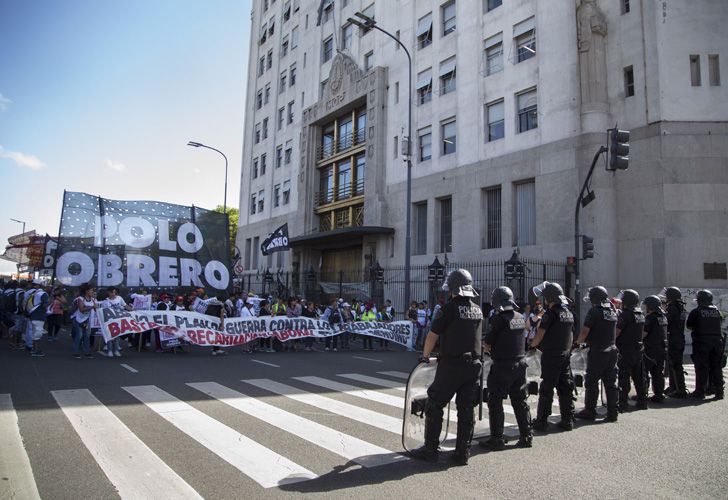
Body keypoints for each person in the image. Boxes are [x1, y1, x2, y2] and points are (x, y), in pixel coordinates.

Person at [409, 269, 483, 465]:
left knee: (435, 403)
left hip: (452, 365)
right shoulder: (477, 309)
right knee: (466, 408)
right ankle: (462, 452)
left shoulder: (449, 308)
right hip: (474, 365)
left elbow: (433, 334)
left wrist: (425, 356)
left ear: (452, 289)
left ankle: (431, 448)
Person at [479, 286, 532, 451]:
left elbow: (488, 342)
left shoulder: (499, 318)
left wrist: (484, 348)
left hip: (502, 365)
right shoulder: (519, 317)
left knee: (495, 402)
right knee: (520, 401)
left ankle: (496, 438)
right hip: (520, 365)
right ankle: (526, 436)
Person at [529, 282, 575, 431]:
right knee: (565, 386)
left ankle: (542, 421)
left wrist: (531, 345)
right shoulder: (568, 312)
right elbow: (571, 334)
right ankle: (567, 419)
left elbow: (540, 334)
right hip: (565, 353)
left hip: (552, 355)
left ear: (549, 298)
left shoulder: (551, 313)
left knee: (547, 388)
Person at [575, 286, 619, 422]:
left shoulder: (594, 311)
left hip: (598, 351)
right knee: (610, 383)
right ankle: (613, 412)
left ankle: (590, 411)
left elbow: (584, 331)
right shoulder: (612, 311)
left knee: (592, 382)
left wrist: (577, 343)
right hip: (612, 350)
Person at [686, 290, 724, 400]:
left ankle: (700, 392)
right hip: (717, 342)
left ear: (699, 300)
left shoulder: (696, 312)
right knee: (716, 367)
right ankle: (719, 392)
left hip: (702, 343)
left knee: (701, 367)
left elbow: (689, 326)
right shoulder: (718, 312)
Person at [615, 290, 648, 411]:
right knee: (639, 377)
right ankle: (642, 401)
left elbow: (617, 332)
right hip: (638, 348)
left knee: (624, 376)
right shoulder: (640, 313)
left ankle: (623, 403)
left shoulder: (625, 314)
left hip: (626, 349)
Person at [663, 287, 688, 398]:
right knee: (673, 364)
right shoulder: (681, 307)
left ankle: (680, 389)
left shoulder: (672, 308)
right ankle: (674, 387)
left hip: (673, 338)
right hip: (679, 337)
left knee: (676, 365)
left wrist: (663, 310)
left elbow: (666, 321)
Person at [642, 295, 667, 403]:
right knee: (658, 372)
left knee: (644, 372)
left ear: (650, 306)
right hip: (661, 348)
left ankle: (643, 394)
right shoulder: (663, 316)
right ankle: (659, 394)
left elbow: (644, 333)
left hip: (650, 349)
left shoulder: (650, 318)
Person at [102, 287, 131, 357]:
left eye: (115, 292)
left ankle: (116, 350)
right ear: (109, 293)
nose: (114, 293)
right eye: (113, 292)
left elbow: (125, 305)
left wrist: (132, 310)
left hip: (118, 320)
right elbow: (104, 312)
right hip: (109, 321)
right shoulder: (105, 301)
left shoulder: (119, 298)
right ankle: (110, 350)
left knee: (117, 335)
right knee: (110, 336)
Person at [71, 284, 97, 359]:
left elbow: (96, 309)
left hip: (86, 320)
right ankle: (75, 352)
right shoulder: (80, 299)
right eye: (91, 290)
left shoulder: (93, 299)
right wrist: (92, 307)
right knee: (79, 335)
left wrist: (95, 308)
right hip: (77, 319)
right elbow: (81, 309)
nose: (92, 292)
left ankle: (87, 352)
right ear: (87, 291)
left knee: (86, 336)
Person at [26, 280, 49, 357]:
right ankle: (37, 351)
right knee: (38, 334)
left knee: (34, 333)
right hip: (39, 316)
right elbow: (45, 305)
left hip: (32, 315)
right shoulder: (43, 294)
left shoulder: (33, 293)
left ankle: (34, 349)